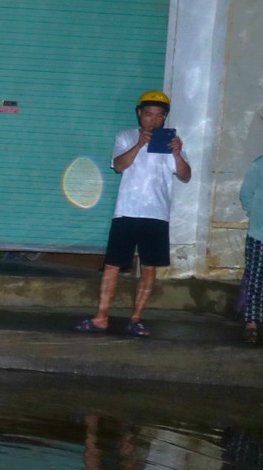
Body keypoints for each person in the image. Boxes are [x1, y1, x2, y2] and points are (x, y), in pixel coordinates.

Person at [78, 90, 191, 338]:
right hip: (127, 211)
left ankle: (136, 319)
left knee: (149, 267)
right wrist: (139, 144)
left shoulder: (173, 142)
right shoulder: (125, 136)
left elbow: (185, 176)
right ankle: (101, 317)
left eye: (159, 115)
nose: (154, 120)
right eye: (148, 114)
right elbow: (118, 166)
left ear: (165, 118)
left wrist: (178, 153)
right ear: (140, 114)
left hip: (157, 214)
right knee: (112, 265)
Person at [240, 148, 263, 344]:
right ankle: (252, 323)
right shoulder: (259, 165)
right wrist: (256, 215)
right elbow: (246, 195)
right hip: (260, 235)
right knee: (255, 281)